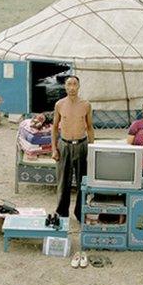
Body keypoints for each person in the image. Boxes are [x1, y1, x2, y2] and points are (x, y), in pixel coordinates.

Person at [52, 75, 95, 222]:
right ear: (65, 86)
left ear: (79, 86)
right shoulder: (59, 104)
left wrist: (92, 149)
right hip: (64, 145)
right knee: (63, 181)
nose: (71, 87)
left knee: (83, 180)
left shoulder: (86, 105)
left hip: (82, 145)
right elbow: (54, 129)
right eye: (69, 84)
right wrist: (54, 149)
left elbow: (89, 127)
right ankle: (62, 212)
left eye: (74, 84)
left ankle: (80, 212)